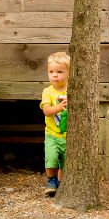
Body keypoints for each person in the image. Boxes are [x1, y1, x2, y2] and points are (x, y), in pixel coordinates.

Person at [40, 51, 70, 197]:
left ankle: (60, 183)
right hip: (52, 134)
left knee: (65, 163)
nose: (55, 75)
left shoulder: (72, 90)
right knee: (51, 159)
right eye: (51, 72)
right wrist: (59, 107)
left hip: (68, 136)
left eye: (59, 72)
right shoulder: (47, 92)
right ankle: (51, 180)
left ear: (69, 73)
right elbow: (46, 111)